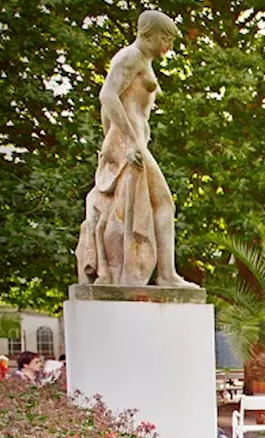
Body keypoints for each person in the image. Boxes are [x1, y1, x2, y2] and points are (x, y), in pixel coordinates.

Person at [76, 10, 196, 288]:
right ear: (149, 33)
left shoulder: (142, 60)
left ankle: (165, 273)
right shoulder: (131, 56)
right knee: (163, 201)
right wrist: (127, 142)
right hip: (128, 142)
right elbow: (107, 95)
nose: (168, 45)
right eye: (165, 38)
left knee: (157, 202)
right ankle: (167, 275)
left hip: (130, 140)